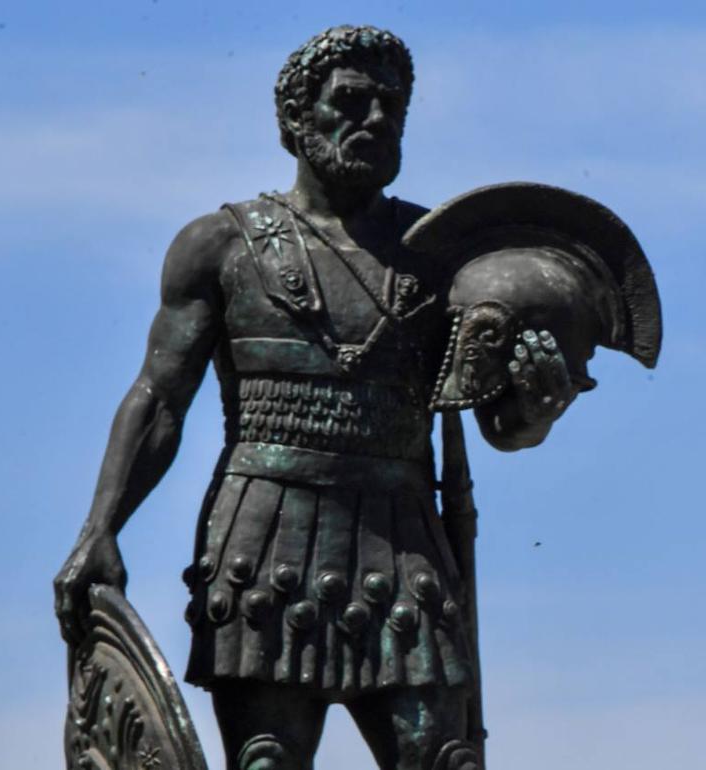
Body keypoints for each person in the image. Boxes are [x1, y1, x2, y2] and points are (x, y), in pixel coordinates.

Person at [52, 26, 578, 770]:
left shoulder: (441, 259)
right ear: (295, 121)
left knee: (441, 760)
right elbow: (160, 398)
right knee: (267, 761)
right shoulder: (219, 246)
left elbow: (497, 423)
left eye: (392, 106)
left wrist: (537, 409)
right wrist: (100, 527)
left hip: (404, 544)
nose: (375, 119)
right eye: (352, 101)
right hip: (266, 541)